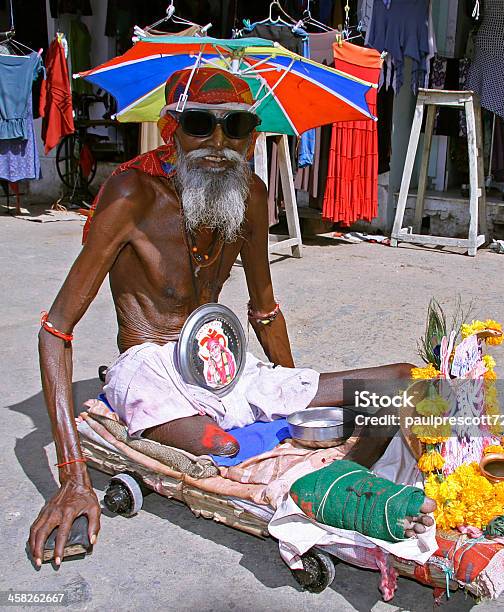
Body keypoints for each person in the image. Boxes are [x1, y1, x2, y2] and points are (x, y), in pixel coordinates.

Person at [29, 67, 435, 568]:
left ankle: (334, 477)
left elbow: (264, 311)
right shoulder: (132, 194)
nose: (219, 142)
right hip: (151, 369)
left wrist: (295, 391)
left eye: (236, 127)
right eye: (201, 124)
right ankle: (319, 475)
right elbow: (55, 332)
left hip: (224, 363)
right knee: (221, 446)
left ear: (253, 136)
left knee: (405, 382)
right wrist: (73, 476)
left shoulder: (251, 194)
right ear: (169, 129)